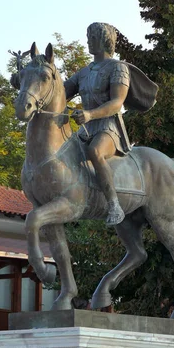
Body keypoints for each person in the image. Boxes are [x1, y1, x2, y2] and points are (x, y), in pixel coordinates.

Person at [64, 22, 133, 226]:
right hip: (86, 129)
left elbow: (117, 103)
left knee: (95, 151)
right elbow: (61, 92)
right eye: (88, 37)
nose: (88, 41)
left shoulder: (118, 68)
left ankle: (114, 205)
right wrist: (29, 79)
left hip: (108, 127)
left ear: (104, 41)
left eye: (92, 38)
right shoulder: (84, 72)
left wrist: (90, 114)